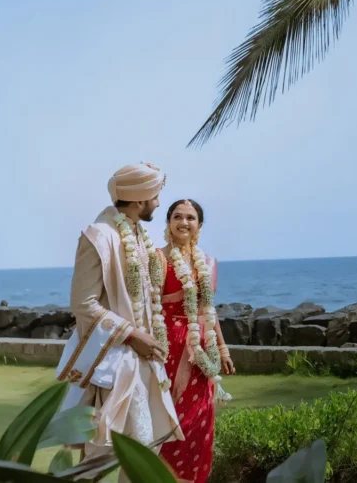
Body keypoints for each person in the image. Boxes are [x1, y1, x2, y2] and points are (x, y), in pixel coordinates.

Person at [56, 162, 183, 477]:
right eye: (155, 196)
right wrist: (132, 336)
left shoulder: (140, 235)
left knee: (145, 449)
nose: (158, 203)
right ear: (140, 199)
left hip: (145, 360)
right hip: (112, 361)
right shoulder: (98, 236)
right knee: (101, 451)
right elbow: (83, 303)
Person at [158, 199, 235, 483]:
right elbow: (146, 306)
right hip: (166, 347)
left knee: (197, 422)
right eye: (177, 216)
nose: (184, 222)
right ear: (168, 223)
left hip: (202, 351)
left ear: (199, 225)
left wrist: (223, 349)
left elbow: (208, 310)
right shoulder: (157, 258)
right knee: (167, 418)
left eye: (190, 218)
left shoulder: (208, 263)